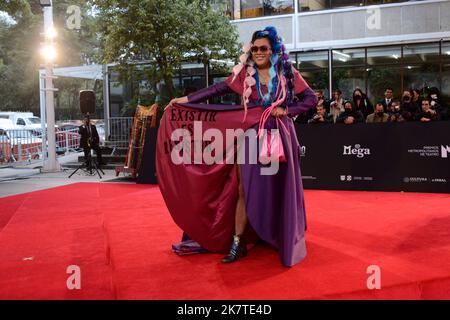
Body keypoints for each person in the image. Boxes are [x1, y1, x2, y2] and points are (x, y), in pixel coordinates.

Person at [162, 26, 317, 267]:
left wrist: (286, 110)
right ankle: (237, 241)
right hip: (251, 136)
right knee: (243, 188)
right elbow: (217, 89)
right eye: (254, 48)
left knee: (277, 186)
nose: (258, 52)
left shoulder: (287, 72)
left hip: (279, 137)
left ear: (273, 50)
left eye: (263, 48)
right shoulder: (245, 74)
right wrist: (184, 100)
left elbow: (311, 99)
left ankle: (276, 233)